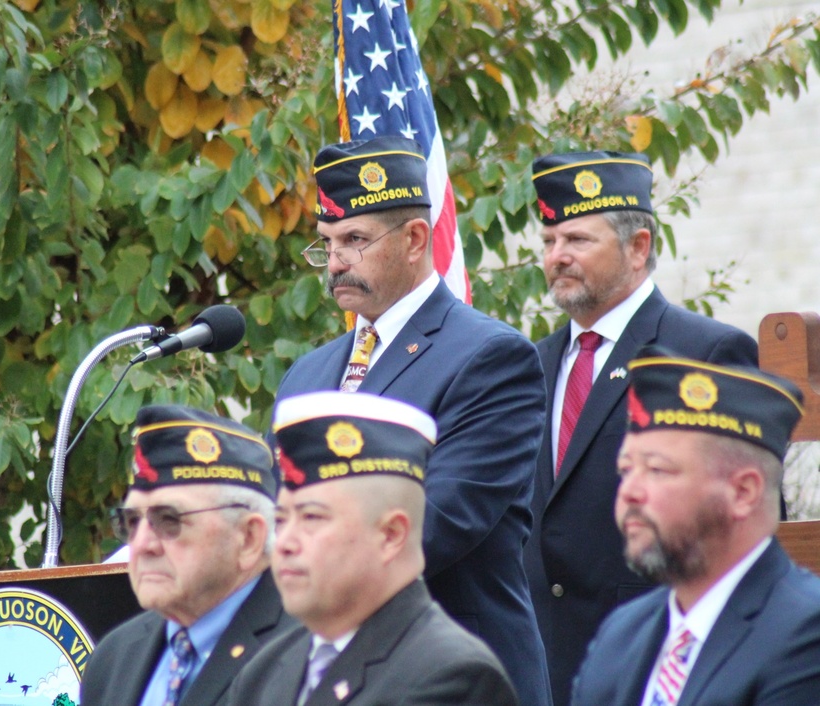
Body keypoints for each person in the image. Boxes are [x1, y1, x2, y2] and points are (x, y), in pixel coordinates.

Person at [275, 135, 550, 705]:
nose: (335, 263)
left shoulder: (490, 357)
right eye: (326, 244)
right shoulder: (306, 375)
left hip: (454, 677)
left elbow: (439, 520)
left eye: (354, 240)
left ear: (416, 239)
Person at [524, 150, 759, 706]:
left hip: (653, 661)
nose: (557, 257)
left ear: (639, 246)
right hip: (540, 667)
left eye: (577, 240)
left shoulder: (702, 351)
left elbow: (733, 522)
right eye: (549, 242)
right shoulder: (531, 364)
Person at [229, 391, 519, 705]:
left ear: (391, 535)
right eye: (281, 520)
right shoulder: (265, 669)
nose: (284, 543)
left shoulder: (451, 675)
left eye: (311, 517)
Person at [571, 348, 820, 705]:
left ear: (742, 491)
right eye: (626, 470)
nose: (629, 492)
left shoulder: (805, 636)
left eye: (657, 469)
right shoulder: (622, 634)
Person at [80, 405, 297, 706]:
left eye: (169, 519)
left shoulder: (306, 656)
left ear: (249, 538)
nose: (142, 544)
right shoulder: (114, 657)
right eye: (132, 522)